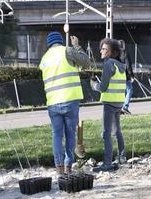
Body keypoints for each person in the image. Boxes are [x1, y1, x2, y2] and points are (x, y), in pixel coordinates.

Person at [39, 30, 90, 174]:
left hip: (53, 102)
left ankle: (59, 167)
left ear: (49, 44)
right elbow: (86, 62)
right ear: (60, 41)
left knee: (56, 135)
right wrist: (76, 46)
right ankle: (68, 166)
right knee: (70, 134)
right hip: (69, 99)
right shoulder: (67, 51)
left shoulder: (44, 59)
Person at [93, 38, 127, 172]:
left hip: (109, 103)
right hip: (119, 102)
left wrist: (94, 85)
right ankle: (121, 157)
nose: (101, 51)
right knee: (117, 131)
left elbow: (103, 87)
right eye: (101, 48)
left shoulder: (108, 64)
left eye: (105, 49)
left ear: (112, 52)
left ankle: (107, 163)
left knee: (106, 133)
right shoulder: (121, 66)